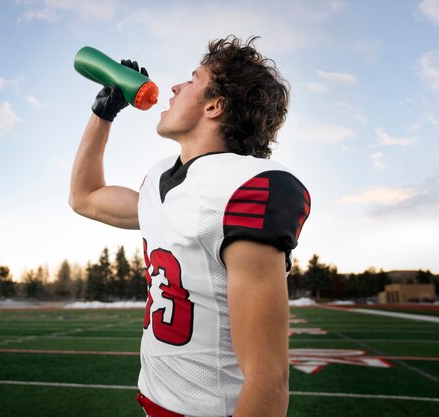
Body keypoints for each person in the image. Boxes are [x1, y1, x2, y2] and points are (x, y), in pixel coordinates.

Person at [69, 35, 310, 417]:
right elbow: (85, 197)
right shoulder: (160, 177)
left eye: (192, 79)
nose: (176, 87)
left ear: (215, 105)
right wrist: (103, 114)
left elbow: (268, 376)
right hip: (152, 398)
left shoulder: (248, 186)